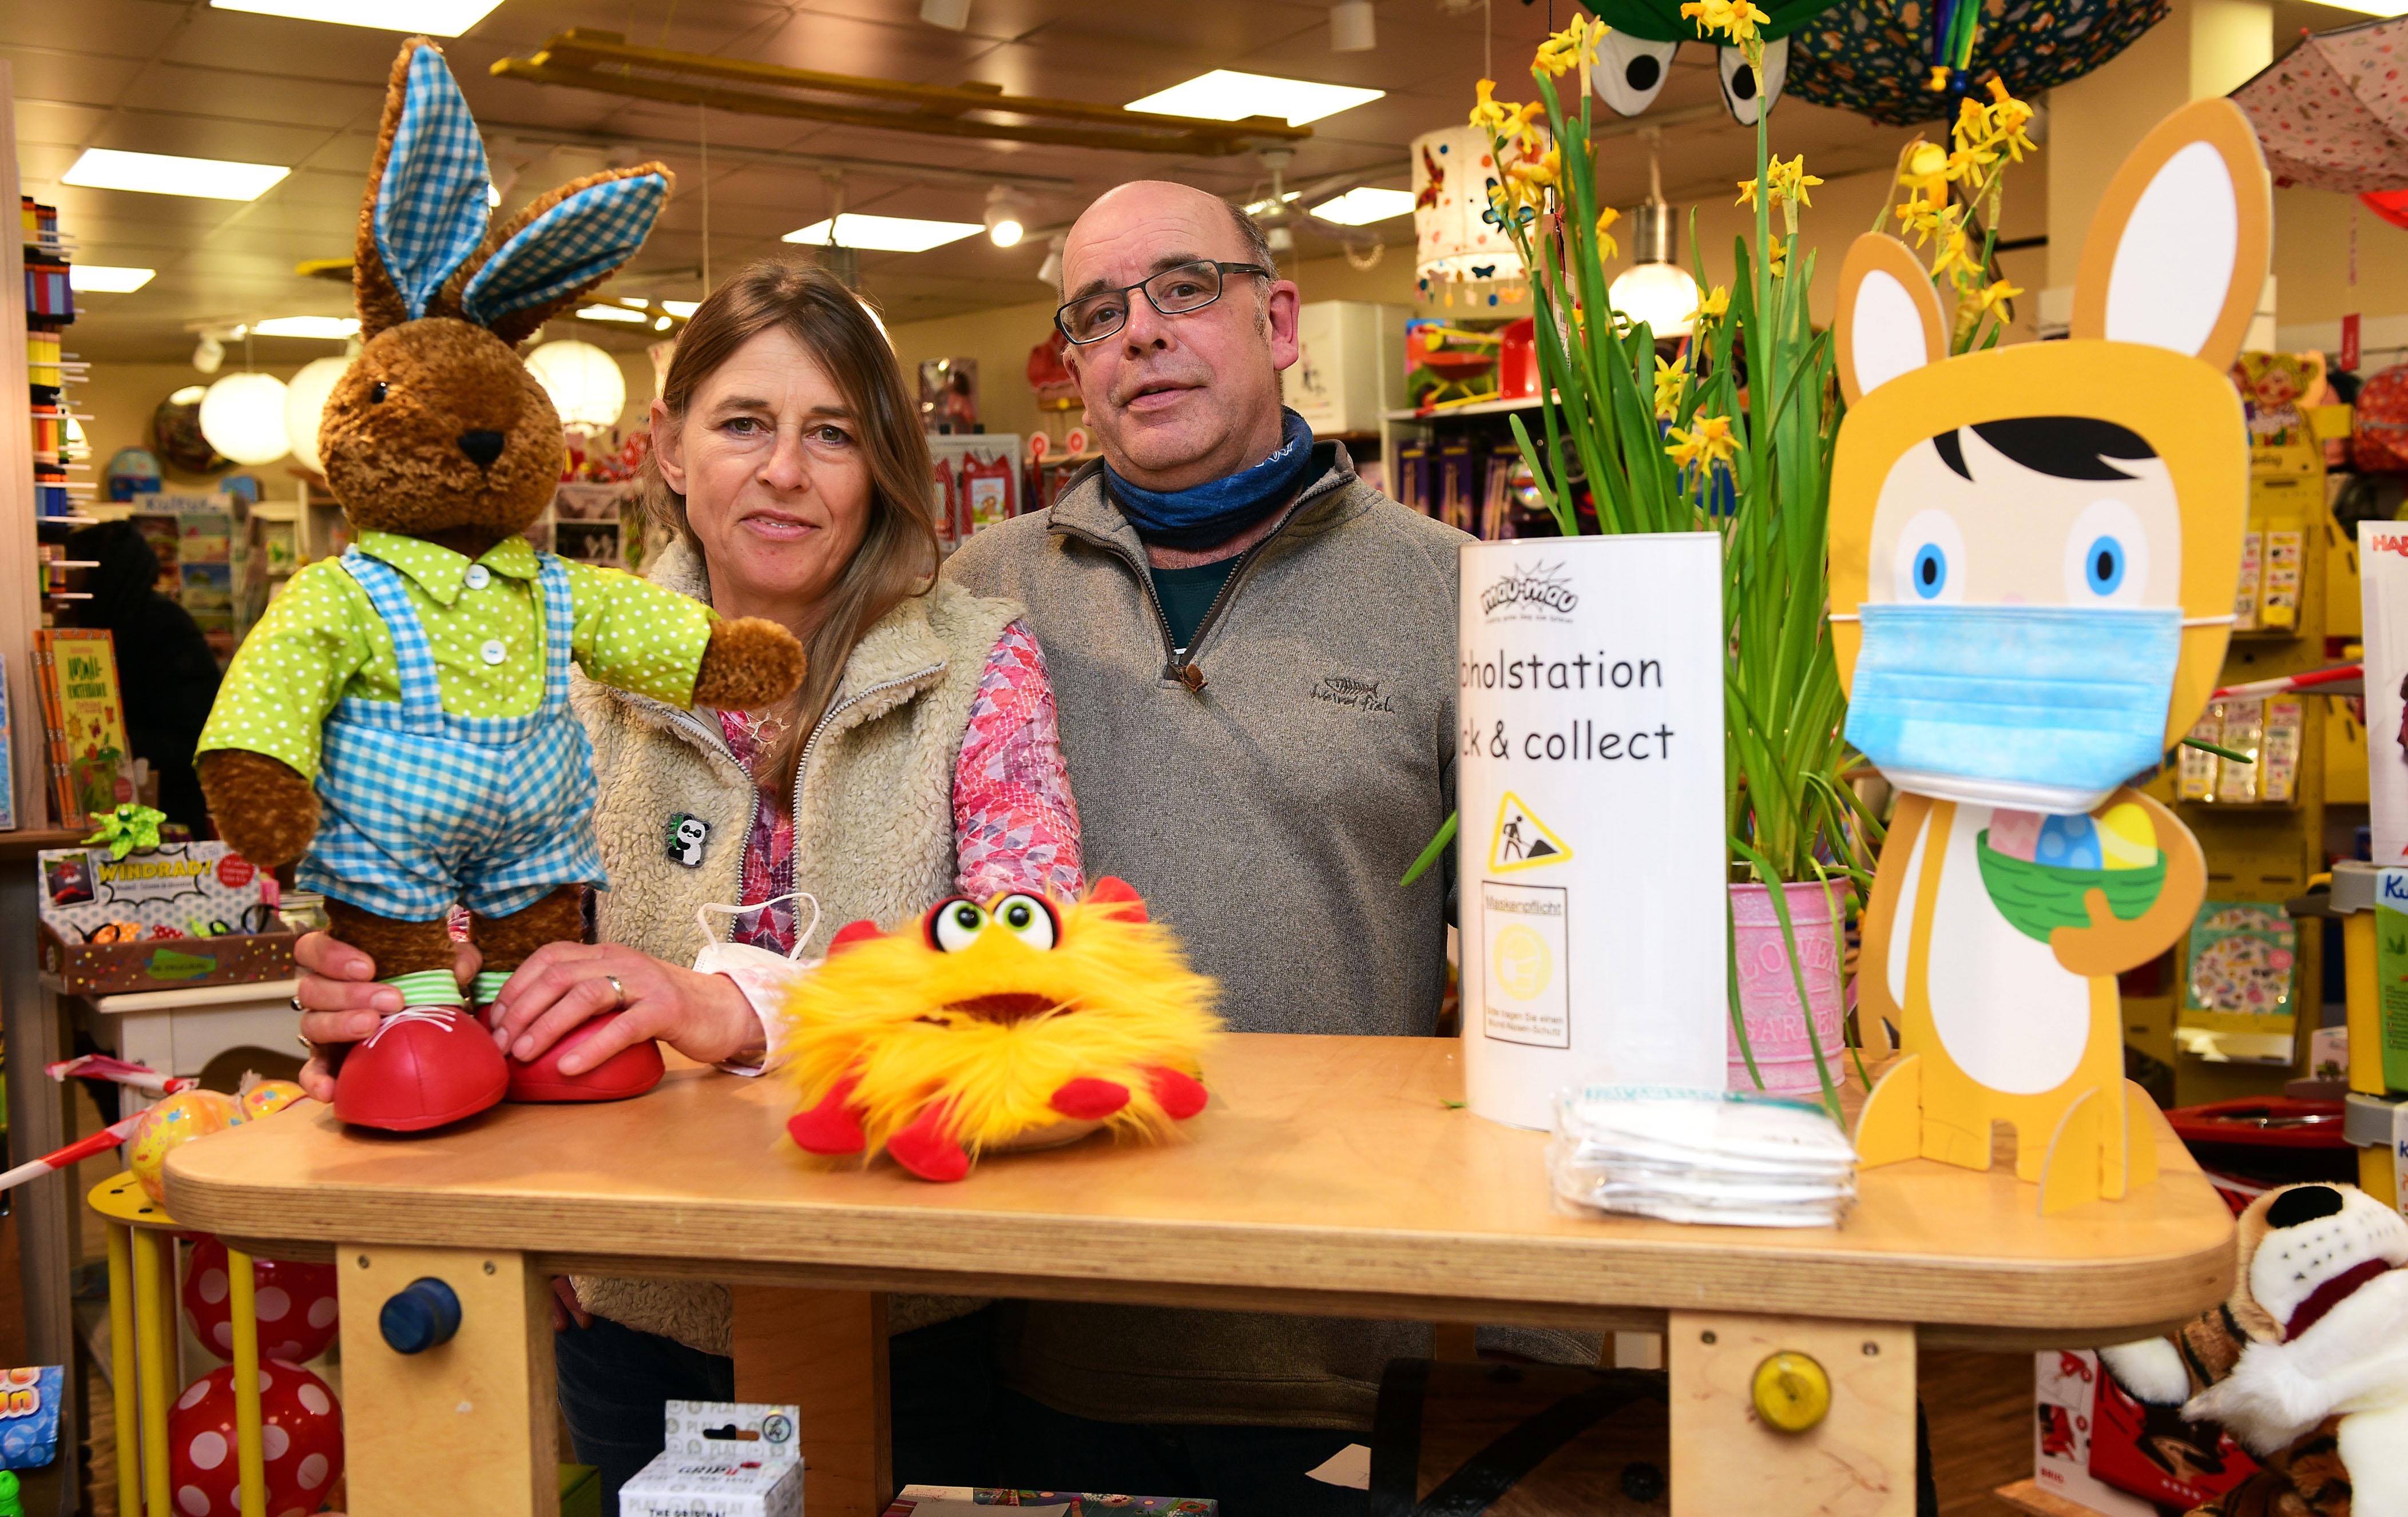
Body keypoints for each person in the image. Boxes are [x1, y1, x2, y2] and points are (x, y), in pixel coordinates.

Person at [281, 259, 1081, 1511]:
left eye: (832, 433)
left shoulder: (979, 659)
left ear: (880, 465)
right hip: (626, 1298)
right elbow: (465, 938)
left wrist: (740, 1012)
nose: (784, 470)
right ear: (665, 450)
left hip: (908, 1293)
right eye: (744, 424)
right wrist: (387, 995)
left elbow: (1030, 963)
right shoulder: (554, 671)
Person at [944, 184, 1483, 1514]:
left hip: (1345, 1335)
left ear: (1278, 316)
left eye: (1184, 288)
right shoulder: (978, 589)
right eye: (1100, 312)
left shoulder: (1459, 592)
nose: (1141, 333)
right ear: (1073, 362)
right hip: (1048, 1322)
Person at [65, 520, 222, 831]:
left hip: (167, 807)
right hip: (154, 801)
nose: (67, 581)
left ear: (102, 571)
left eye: (75, 568)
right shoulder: (129, 618)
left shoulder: (156, 624)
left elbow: (194, 732)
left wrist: (112, 743)